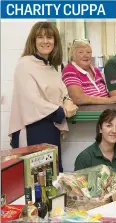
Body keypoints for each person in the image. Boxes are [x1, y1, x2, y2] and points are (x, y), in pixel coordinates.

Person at [8, 21, 78, 172]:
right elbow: (32, 100)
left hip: (51, 127)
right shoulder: (25, 64)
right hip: (33, 128)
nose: (45, 41)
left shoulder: (50, 66)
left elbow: (63, 91)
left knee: (53, 177)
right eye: (40, 37)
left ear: (55, 41)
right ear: (33, 41)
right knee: (36, 180)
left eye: (50, 37)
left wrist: (67, 101)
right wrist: (62, 112)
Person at [74, 108, 116, 188]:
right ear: (100, 129)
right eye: (109, 125)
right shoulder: (85, 157)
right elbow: (78, 192)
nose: (114, 130)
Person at [62, 40, 116, 105]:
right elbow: (78, 98)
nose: (86, 55)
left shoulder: (95, 70)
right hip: (88, 114)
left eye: (88, 52)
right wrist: (110, 100)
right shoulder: (69, 70)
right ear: (73, 56)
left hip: (105, 110)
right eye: (81, 52)